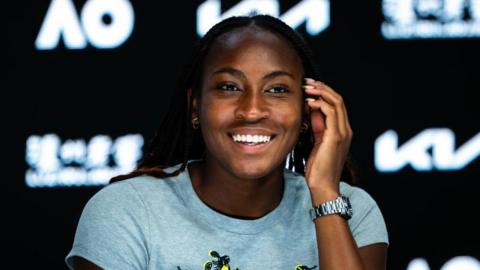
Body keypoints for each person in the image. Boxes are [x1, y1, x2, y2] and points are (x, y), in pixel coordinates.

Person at [66, 14, 388, 270]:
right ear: (196, 105)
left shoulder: (351, 210)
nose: (251, 110)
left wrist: (325, 195)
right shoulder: (126, 212)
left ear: (307, 111)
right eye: (229, 87)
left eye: (277, 90)